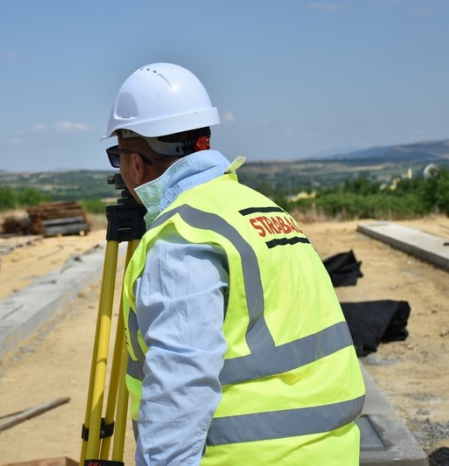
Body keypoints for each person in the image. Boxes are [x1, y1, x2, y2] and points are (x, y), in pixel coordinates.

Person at [103, 63, 366, 465]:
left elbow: (180, 390)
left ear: (135, 163)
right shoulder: (262, 210)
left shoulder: (182, 237)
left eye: (116, 157)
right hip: (331, 452)